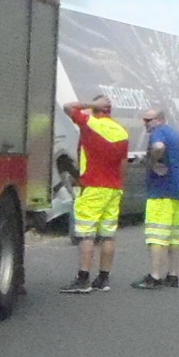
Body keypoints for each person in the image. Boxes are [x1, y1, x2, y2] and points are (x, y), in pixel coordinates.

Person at [59, 95, 129, 294]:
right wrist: (120, 186)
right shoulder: (121, 131)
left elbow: (67, 107)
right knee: (108, 235)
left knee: (86, 234)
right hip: (113, 188)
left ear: (98, 108)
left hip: (93, 186)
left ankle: (83, 279)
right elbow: (123, 164)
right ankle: (103, 278)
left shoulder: (90, 124)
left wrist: (90, 105)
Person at [132, 108, 179, 289]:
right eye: (144, 120)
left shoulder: (159, 132)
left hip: (160, 193)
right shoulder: (174, 133)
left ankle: (155, 276)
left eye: (149, 120)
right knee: (175, 236)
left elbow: (158, 147)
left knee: (156, 236)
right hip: (177, 192)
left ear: (159, 120)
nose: (145, 123)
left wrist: (153, 161)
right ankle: (173, 275)